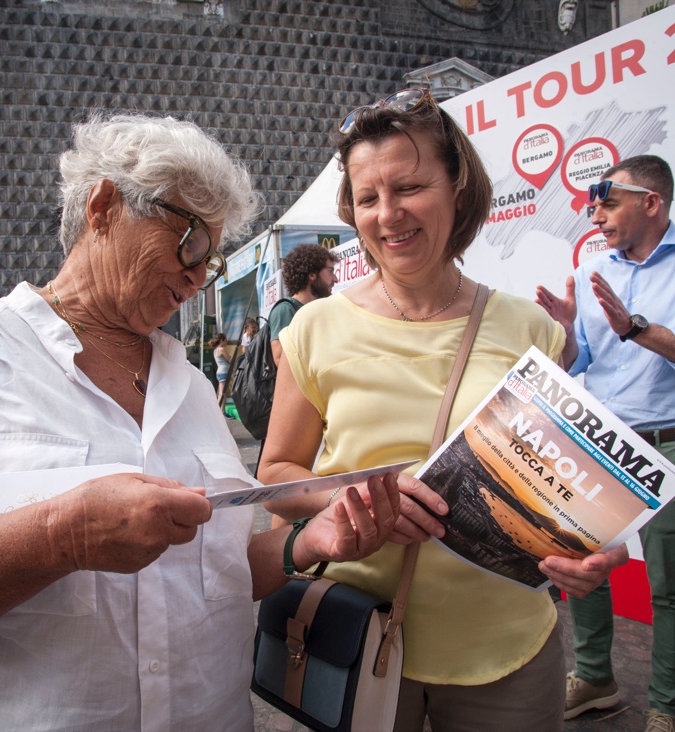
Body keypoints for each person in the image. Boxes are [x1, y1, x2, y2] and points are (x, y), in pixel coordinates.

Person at [0, 113, 411, 731]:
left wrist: (309, 542)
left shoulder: (187, 385)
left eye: (211, 260)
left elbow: (224, 570)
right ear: (104, 205)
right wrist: (62, 534)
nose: (196, 274)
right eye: (189, 241)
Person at [260, 88, 628, 732]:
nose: (388, 215)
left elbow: (567, 484)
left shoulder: (530, 328)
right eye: (368, 198)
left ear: (458, 186)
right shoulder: (315, 328)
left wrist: (598, 549)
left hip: (508, 647)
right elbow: (276, 477)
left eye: (409, 187)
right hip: (358, 633)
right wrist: (359, 501)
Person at [536, 154, 675, 732]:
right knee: (580, 569)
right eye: (593, 205)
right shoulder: (588, 272)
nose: (596, 216)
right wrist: (563, 333)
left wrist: (639, 328)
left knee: (671, 589)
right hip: (597, 444)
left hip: (674, 448)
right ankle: (594, 679)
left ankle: (667, 710)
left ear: (651, 202)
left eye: (608, 203)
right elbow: (577, 363)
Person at [268, 242, 338, 365]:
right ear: (312, 275)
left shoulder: (318, 310)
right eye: (330, 271)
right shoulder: (285, 310)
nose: (335, 279)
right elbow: (280, 359)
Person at [209, 332, 231, 406]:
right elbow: (230, 360)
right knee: (222, 393)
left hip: (220, 372)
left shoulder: (215, 350)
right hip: (223, 372)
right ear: (222, 340)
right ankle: (220, 412)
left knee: (220, 393)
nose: (226, 342)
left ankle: (220, 411)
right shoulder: (222, 349)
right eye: (225, 340)